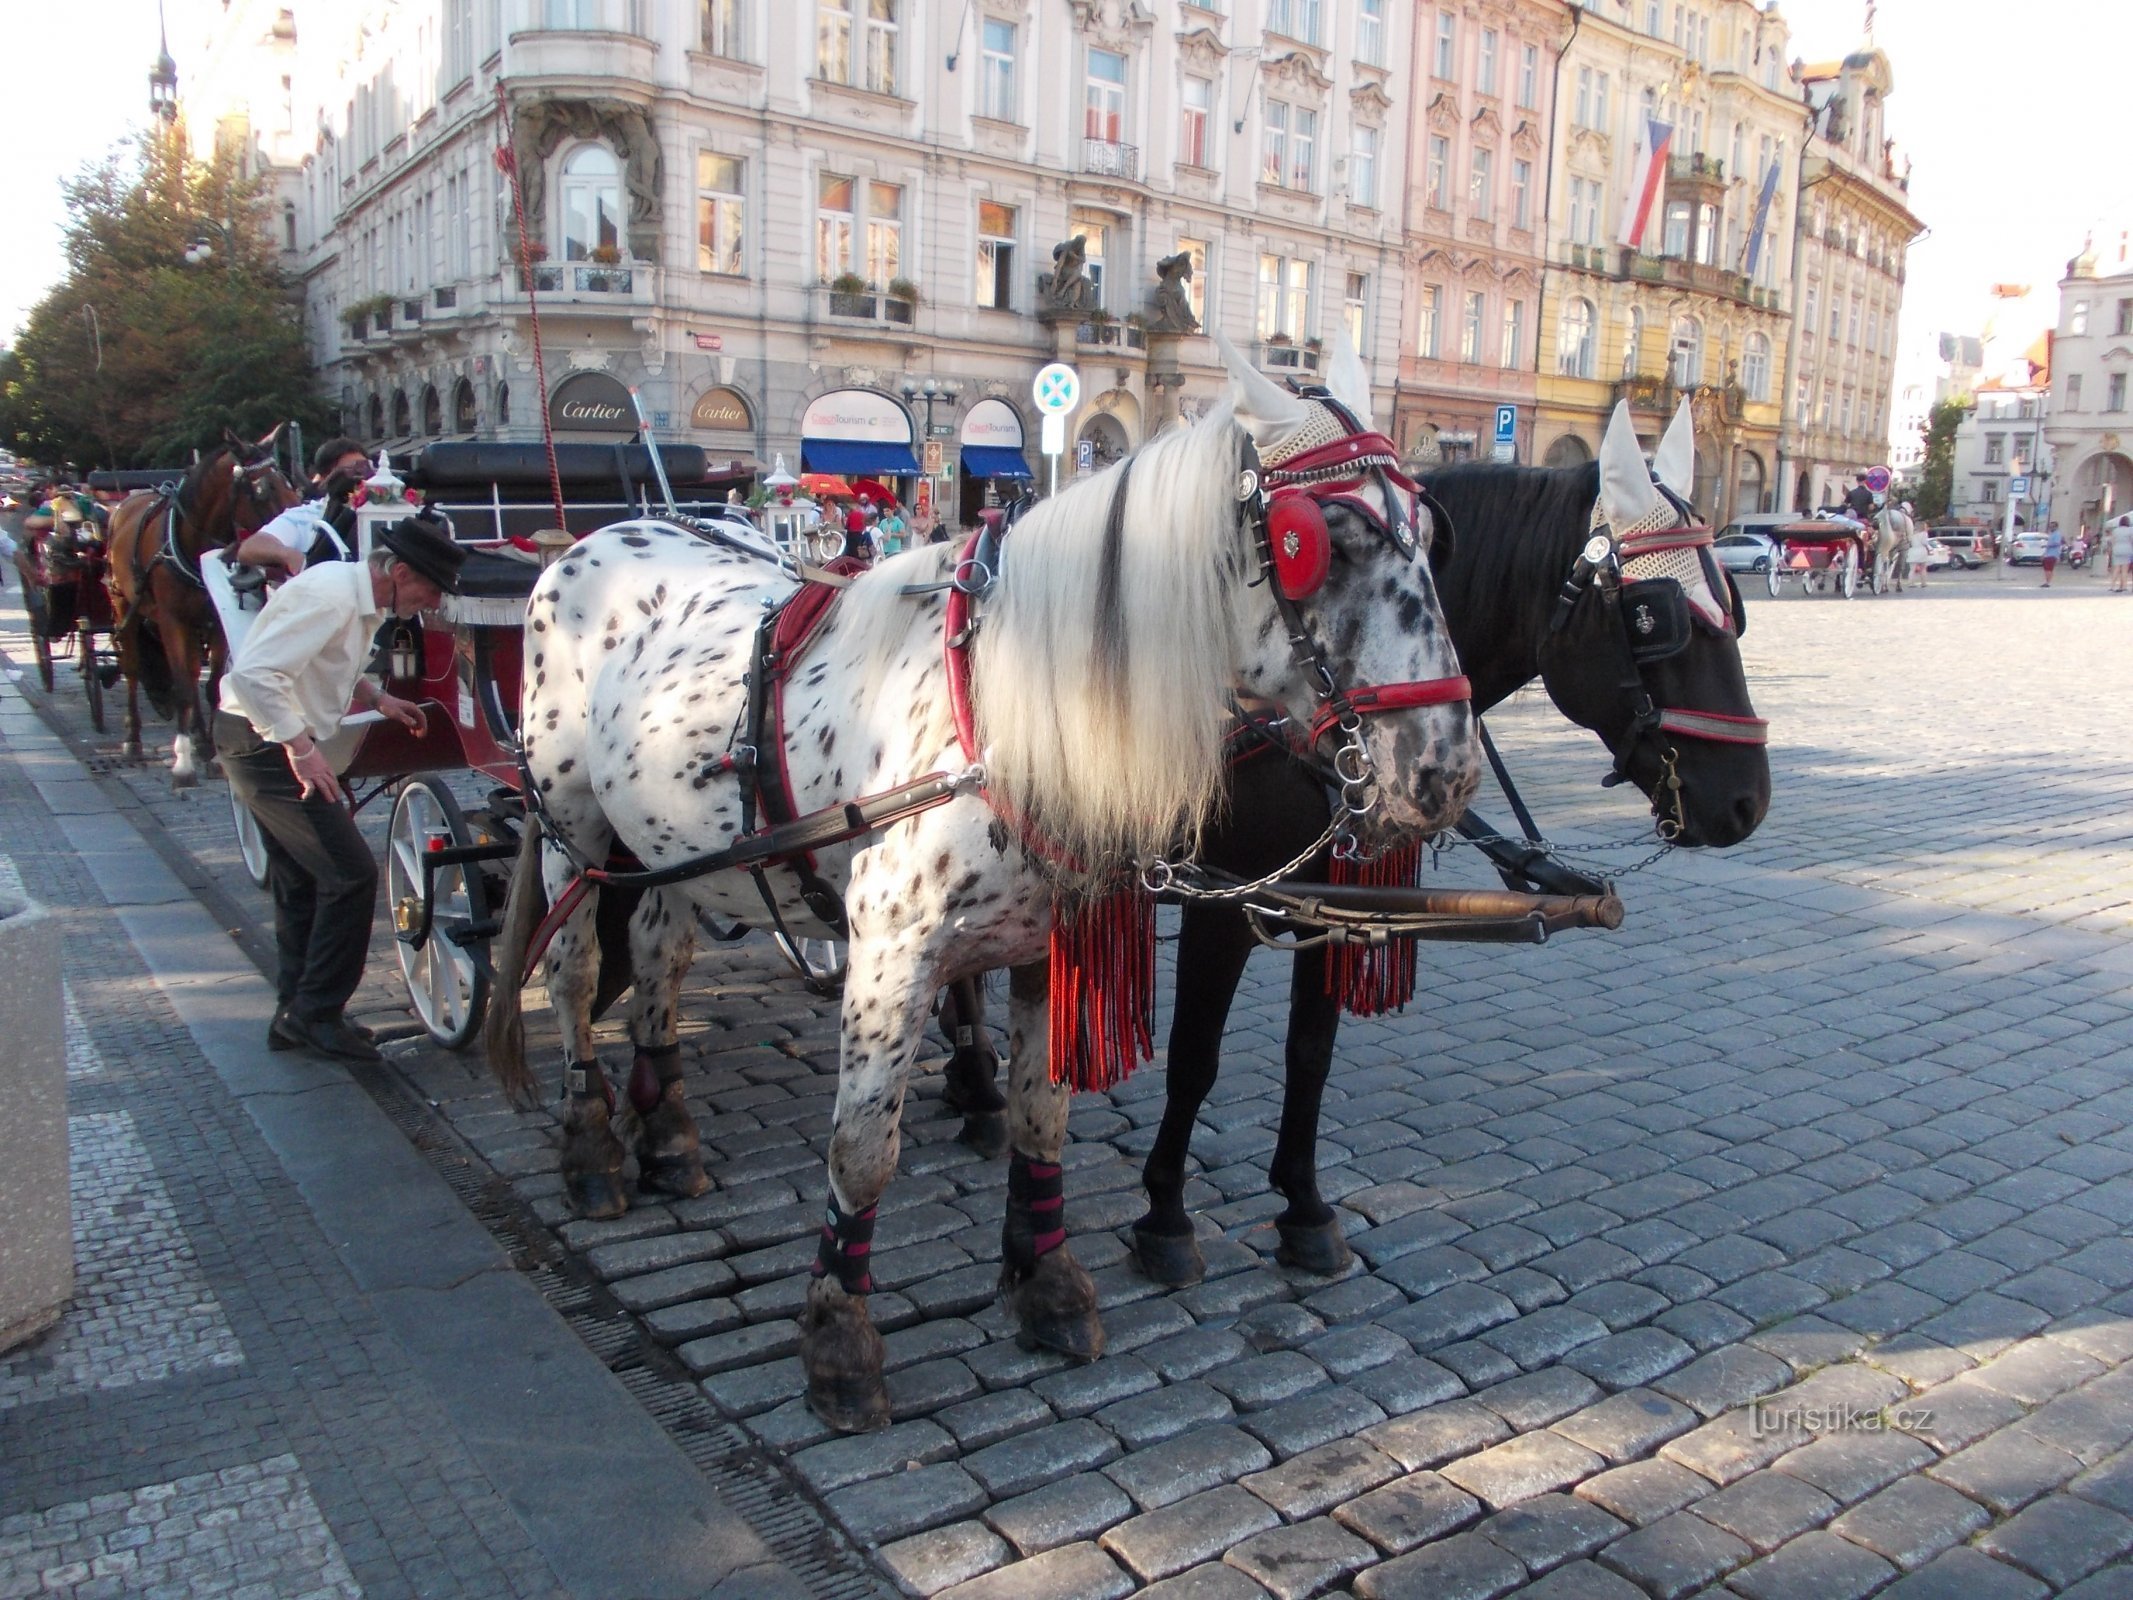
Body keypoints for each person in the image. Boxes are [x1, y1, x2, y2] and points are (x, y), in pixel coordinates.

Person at [216, 511, 464, 1061]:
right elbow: (255, 676)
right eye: (429, 589)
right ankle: (316, 1014)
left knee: (304, 880)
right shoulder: (331, 595)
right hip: (263, 743)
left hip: (267, 739)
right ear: (399, 571)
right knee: (349, 874)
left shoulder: (358, 602)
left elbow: (328, 664)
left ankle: (297, 1010)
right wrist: (301, 751)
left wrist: (379, 699)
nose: (432, 603)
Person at [233, 436, 374, 578]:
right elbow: (250, 547)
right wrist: (288, 554)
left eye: (366, 469)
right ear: (326, 478)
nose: (362, 478)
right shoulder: (305, 517)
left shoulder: (386, 515)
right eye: (353, 471)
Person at [2112, 515, 2133, 594]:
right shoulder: (2130, 530)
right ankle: (2124, 586)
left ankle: (2112, 586)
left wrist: (2114, 549)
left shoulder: (2115, 530)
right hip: (2127, 549)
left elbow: (2113, 541)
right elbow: (2131, 540)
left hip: (2117, 549)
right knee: (2124, 570)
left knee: (2116, 568)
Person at [2042, 522, 2063, 587]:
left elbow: (2057, 543)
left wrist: (2048, 545)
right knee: (2046, 569)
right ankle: (2046, 581)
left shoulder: (2057, 534)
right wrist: (2044, 554)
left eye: (2052, 527)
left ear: (2056, 527)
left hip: (2053, 554)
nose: (2051, 528)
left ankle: (2048, 582)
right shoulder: (2051, 534)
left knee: (2049, 569)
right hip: (2048, 554)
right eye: (2050, 527)